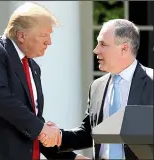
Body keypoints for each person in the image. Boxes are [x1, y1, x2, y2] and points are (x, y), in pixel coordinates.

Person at [0, 2, 86, 160]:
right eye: (44, 35)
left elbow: (29, 124)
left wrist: (71, 158)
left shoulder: (33, 67)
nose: (49, 42)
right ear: (21, 35)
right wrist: (42, 129)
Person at [40, 19, 153, 160]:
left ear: (124, 48)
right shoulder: (97, 87)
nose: (96, 50)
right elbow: (89, 133)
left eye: (103, 44)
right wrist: (57, 136)